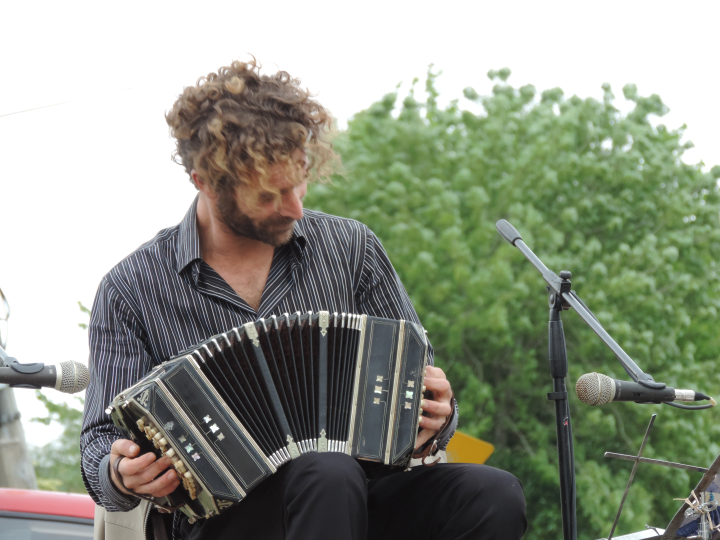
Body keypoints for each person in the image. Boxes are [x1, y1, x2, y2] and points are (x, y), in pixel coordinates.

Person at [80, 58, 527, 540]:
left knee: (492, 494)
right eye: (270, 195)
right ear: (205, 184)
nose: (295, 206)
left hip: (362, 493)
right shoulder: (132, 287)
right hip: (226, 520)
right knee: (326, 473)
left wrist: (437, 416)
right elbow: (99, 442)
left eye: (299, 182)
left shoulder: (352, 248)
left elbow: (417, 387)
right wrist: (119, 473)